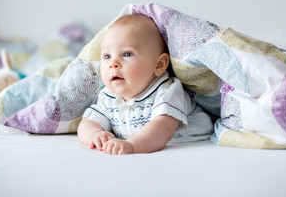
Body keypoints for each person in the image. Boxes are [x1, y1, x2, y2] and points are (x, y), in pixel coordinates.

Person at [77, 14, 212, 155]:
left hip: (190, 143)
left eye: (127, 54)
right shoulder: (108, 96)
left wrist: (132, 146)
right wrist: (95, 134)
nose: (113, 64)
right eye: (107, 56)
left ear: (159, 65)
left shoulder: (167, 90)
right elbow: (87, 123)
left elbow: (162, 129)